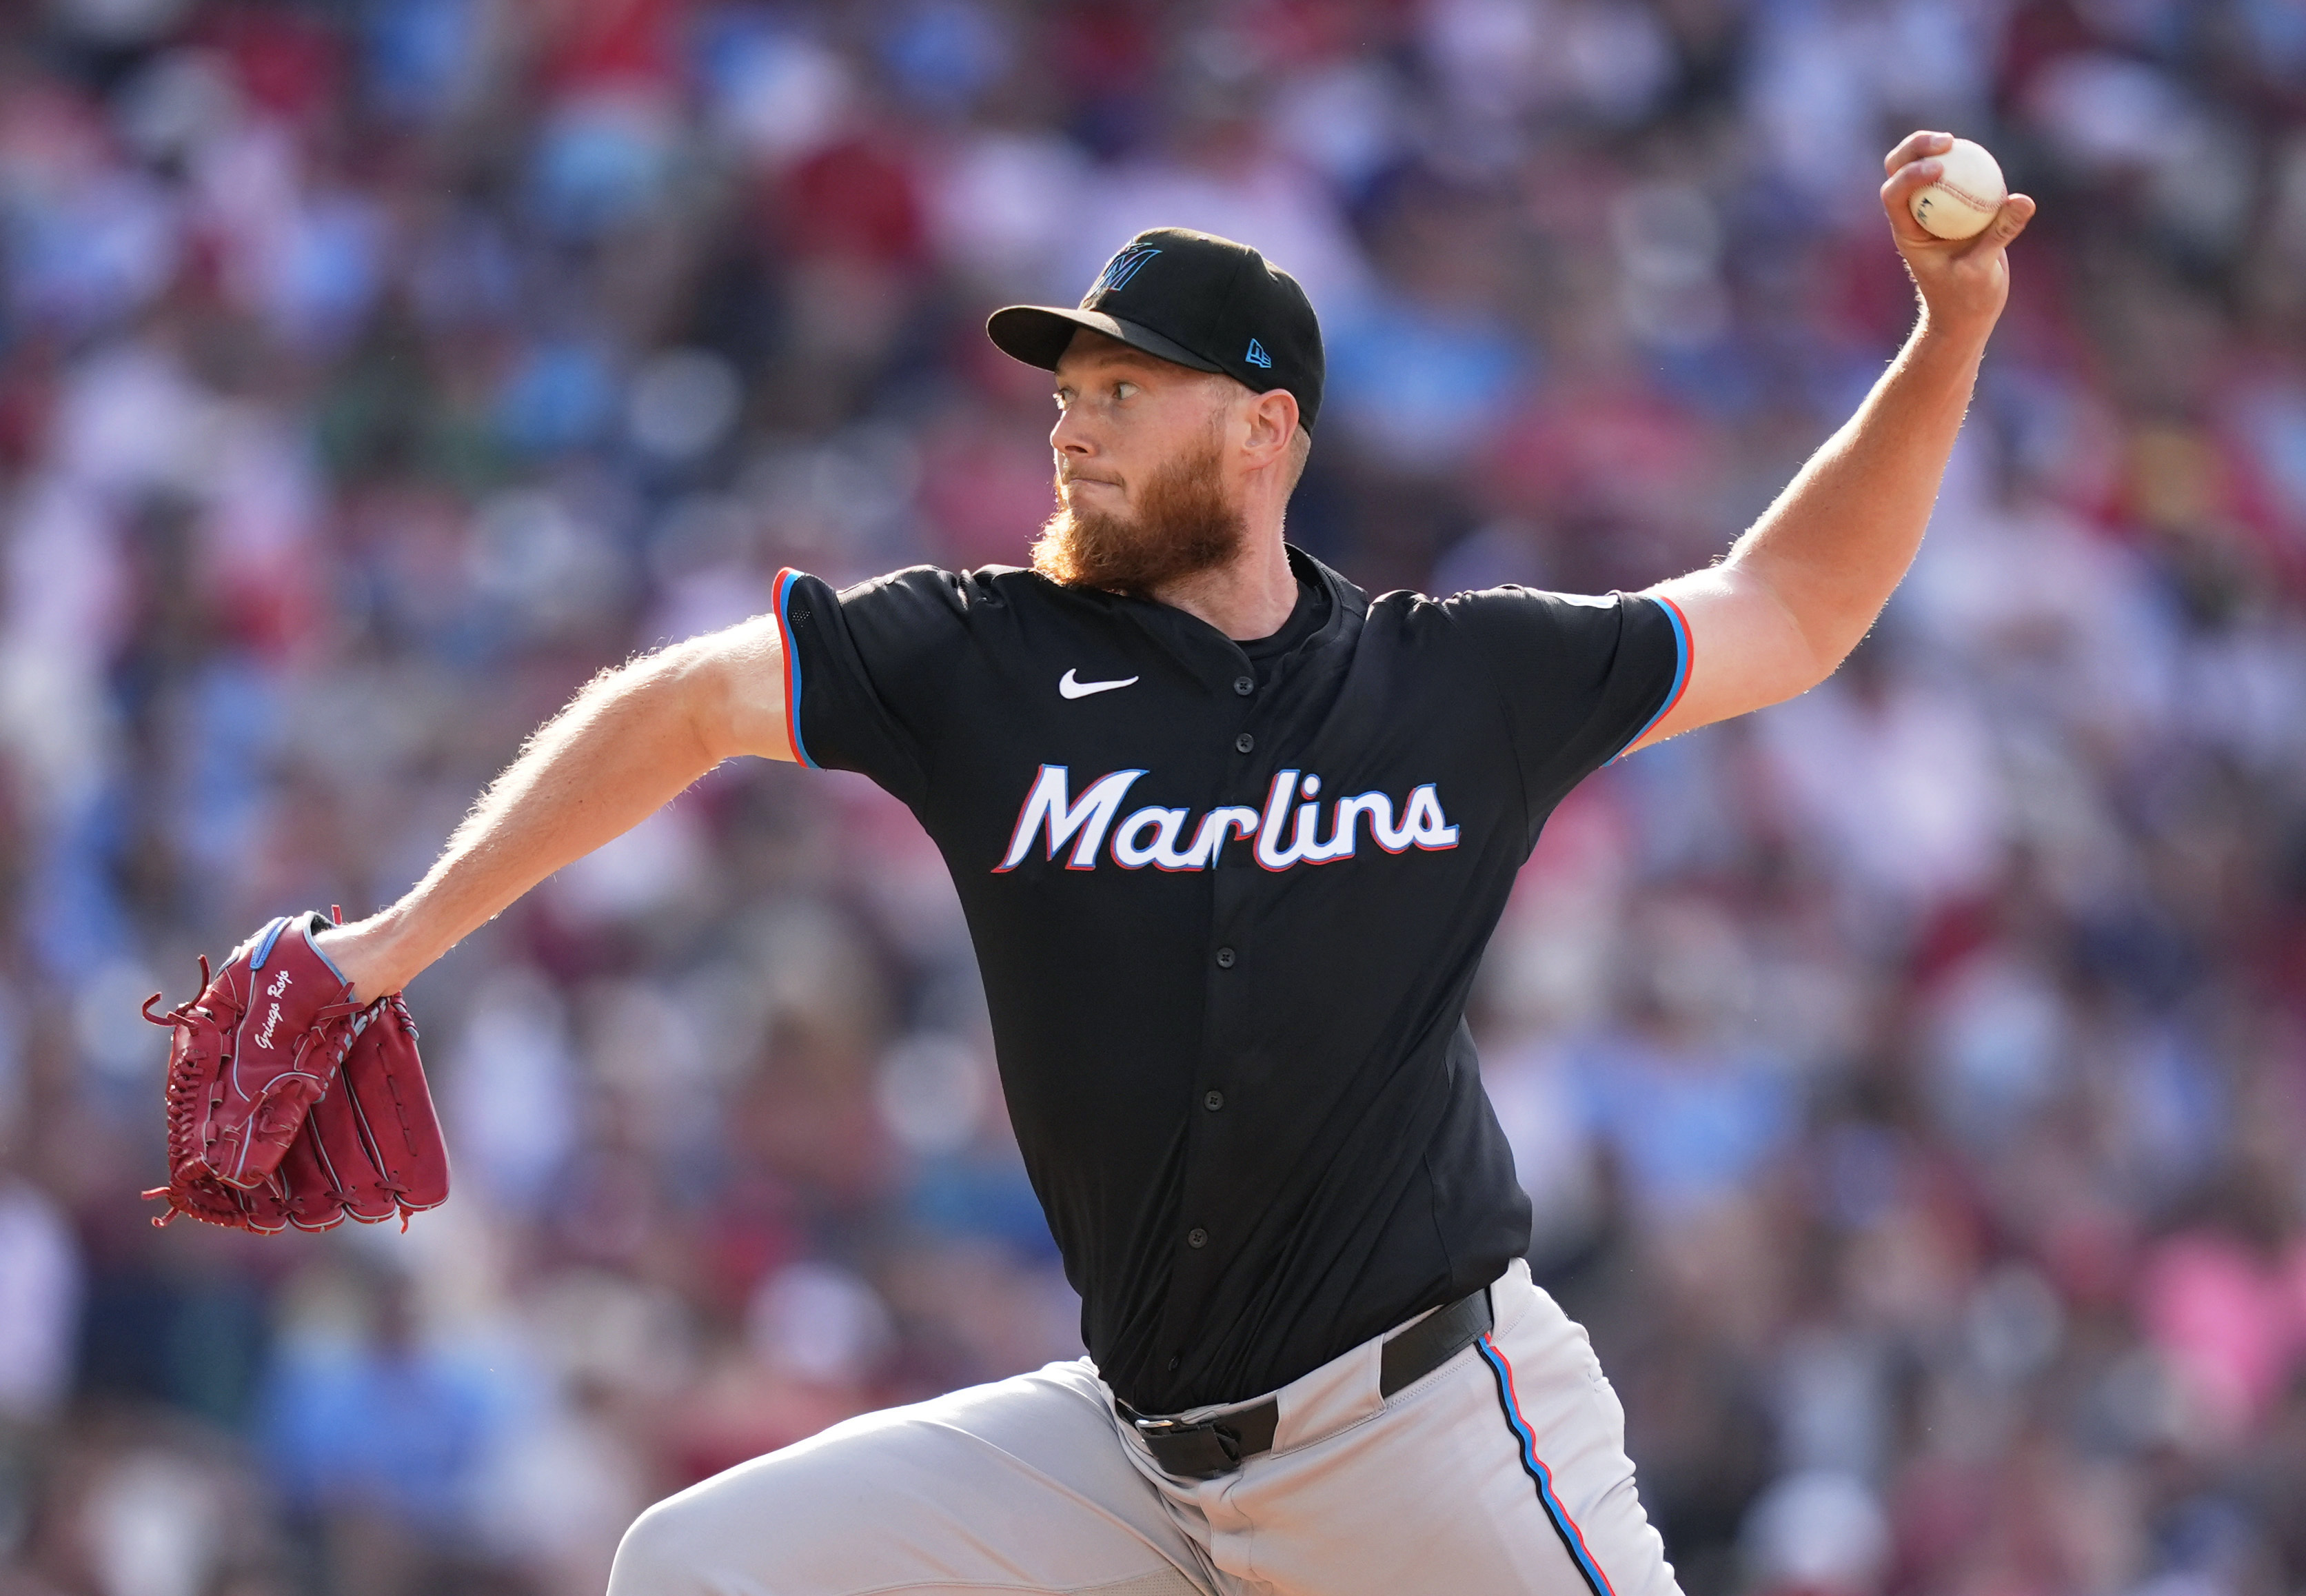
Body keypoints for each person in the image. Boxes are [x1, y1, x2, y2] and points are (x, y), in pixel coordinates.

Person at [310, 132, 2032, 1595]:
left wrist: (1948, 339)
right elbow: (683, 704)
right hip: (1137, 1466)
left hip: (1428, 1438)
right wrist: (388, 943)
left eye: (1127, 389)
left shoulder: (1452, 683)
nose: (1074, 425)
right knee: (700, 1569)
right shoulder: (978, 665)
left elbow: (1791, 608)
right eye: (1070, 390)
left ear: (1264, 433)